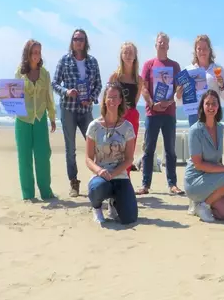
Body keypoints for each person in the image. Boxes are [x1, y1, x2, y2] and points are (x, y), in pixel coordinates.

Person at [52, 29, 102, 197]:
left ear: (85, 41)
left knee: (96, 144)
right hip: (68, 109)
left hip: (85, 109)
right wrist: (66, 91)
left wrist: (92, 98)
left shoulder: (93, 62)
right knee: (70, 148)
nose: (78, 41)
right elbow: (54, 83)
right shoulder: (64, 61)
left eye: (81, 39)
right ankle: (74, 182)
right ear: (72, 41)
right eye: (75, 39)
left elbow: (99, 85)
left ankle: (100, 178)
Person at [137, 32, 184, 195]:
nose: (162, 44)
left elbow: (180, 87)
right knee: (148, 149)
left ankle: (172, 184)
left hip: (169, 113)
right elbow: (143, 88)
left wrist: (169, 101)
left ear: (168, 46)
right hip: (152, 113)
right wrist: (152, 104)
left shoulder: (175, 65)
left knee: (170, 150)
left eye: (165, 42)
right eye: (159, 42)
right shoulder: (148, 64)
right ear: (155, 45)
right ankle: (145, 184)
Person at [184, 90, 224, 222]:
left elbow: (217, 159)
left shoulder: (220, 128)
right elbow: (198, 164)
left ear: (218, 106)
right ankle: (201, 204)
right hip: (195, 181)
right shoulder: (195, 130)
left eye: (214, 104)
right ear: (202, 107)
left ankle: (203, 203)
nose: (210, 107)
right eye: (207, 104)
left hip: (210, 178)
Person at [85, 83, 138, 224]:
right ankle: (96, 208)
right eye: (109, 97)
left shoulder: (127, 127)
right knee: (97, 188)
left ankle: (114, 203)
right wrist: (100, 171)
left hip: (120, 176)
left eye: (115, 97)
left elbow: (129, 159)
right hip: (101, 175)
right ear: (104, 100)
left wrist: (113, 174)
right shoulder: (94, 126)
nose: (112, 101)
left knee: (130, 218)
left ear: (121, 100)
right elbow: (88, 158)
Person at [12, 39, 57, 202]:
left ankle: (46, 192)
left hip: (40, 118)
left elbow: (49, 97)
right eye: (34, 52)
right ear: (28, 54)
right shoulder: (19, 72)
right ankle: (28, 195)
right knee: (24, 157)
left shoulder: (44, 73)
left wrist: (52, 117)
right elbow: (13, 94)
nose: (36, 55)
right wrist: (1, 98)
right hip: (23, 119)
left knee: (43, 155)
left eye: (38, 52)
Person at [175, 34, 224, 127]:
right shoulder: (188, 70)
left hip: (213, 113)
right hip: (194, 114)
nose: (202, 51)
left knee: (212, 141)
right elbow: (179, 102)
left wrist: (222, 85)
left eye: (205, 48)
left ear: (210, 50)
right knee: (195, 141)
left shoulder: (218, 69)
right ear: (195, 51)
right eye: (199, 49)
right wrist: (178, 95)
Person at [108, 42, 143, 140]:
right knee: (115, 149)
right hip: (116, 116)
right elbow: (108, 100)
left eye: (131, 53)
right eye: (125, 52)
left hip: (132, 116)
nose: (128, 55)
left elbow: (134, 102)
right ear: (121, 56)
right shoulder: (114, 77)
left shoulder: (139, 80)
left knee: (130, 151)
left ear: (135, 56)